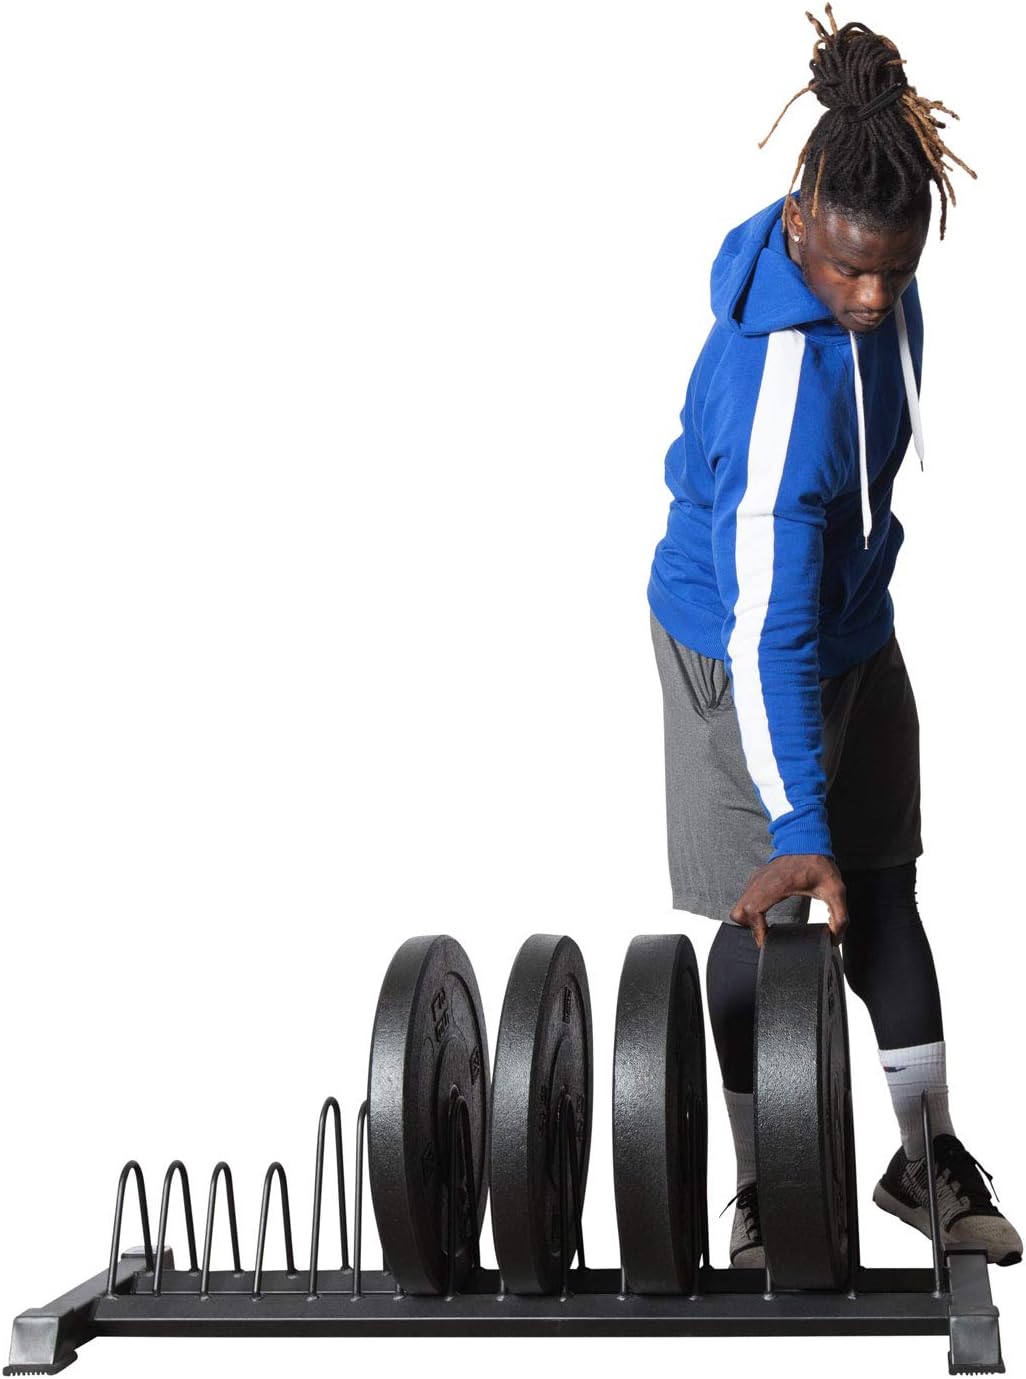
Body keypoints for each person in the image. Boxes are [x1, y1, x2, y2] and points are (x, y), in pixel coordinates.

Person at [647, 5, 1021, 1270]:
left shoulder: (873, 264)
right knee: (769, 916)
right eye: (851, 269)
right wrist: (797, 823)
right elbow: (766, 632)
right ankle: (764, 1184)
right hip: (733, 648)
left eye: (894, 273)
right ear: (799, 219)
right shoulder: (776, 402)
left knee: (886, 887)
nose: (870, 298)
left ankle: (925, 1156)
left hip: (852, 620)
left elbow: (834, 545)